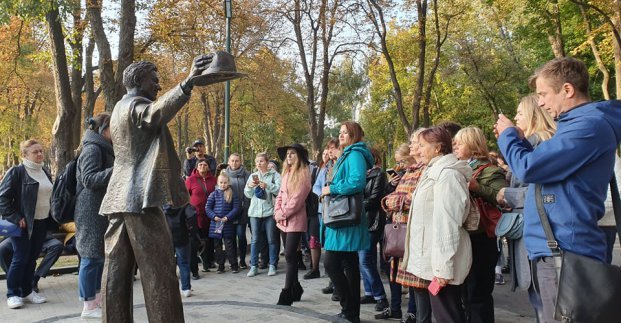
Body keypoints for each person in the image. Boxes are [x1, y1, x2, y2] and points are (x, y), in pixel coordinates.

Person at [495, 57, 621, 322]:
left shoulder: (587, 127)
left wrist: (507, 135)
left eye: (543, 94)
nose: (540, 103)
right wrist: (520, 141)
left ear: (567, 90)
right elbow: (548, 173)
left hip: (565, 253)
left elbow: (528, 169)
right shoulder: (577, 126)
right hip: (557, 251)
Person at [99, 55, 213, 322]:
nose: (159, 85)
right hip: (139, 199)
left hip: (119, 198)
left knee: (116, 270)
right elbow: (155, 113)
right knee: (159, 270)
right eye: (155, 79)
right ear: (139, 80)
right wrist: (186, 84)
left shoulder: (117, 108)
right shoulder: (137, 105)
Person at [495, 94, 556, 322]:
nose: (515, 117)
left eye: (520, 113)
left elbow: (543, 192)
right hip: (535, 237)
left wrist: (506, 194)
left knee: (547, 306)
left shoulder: (541, 142)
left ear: (533, 114)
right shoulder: (532, 143)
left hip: (543, 239)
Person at [402, 126, 472, 323]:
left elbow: (448, 223)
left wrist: (443, 268)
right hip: (436, 261)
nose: (418, 150)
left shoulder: (447, 175)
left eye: (423, 145)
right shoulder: (434, 171)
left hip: (442, 264)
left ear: (438, 148)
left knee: (447, 316)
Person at [453, 126, 508, 323]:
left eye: (459, 143)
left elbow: (503, 198)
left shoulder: (490, 170)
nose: (455, 147)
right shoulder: (458, 167)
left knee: (478, 294)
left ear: (473, 146)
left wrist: (477, 188)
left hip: (482, 238)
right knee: (465, 293)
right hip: (465, 236)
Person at [321, 121, 373, 323]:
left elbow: (357, 181)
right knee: (349, 264)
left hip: (345, 219)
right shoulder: (347, 154)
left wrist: (331, 189)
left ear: (355, 135)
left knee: (331, 263)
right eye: (340, 132)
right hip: (342, 217)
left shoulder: (355, 154)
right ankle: (351, 313)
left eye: (345, 132)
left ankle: (348, 308)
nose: (341, 135)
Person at [377, 131, 426, 322]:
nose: (399, 166)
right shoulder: (409, 173)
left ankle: (413, 312)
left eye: (416, 143)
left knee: (413, 276)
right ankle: (396, 307)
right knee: (395, 270)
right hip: (397, 226)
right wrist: (393, 194)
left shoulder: (423, 170)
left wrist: (395, 201)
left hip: (411, 229)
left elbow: (412, 199)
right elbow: (390, 198)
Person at [0, 139, 53, 309]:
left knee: (32, 259)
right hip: (23, 224)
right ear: (25, 155)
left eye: (40, 151)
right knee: (20, 258)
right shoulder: (17, 172)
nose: (39, 154)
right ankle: (13, 293)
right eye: (35, 152)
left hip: (42, 221)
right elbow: (2, 198)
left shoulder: (44, 170)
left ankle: (27, 291)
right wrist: (16, 217)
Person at [74, 113, 115, 319]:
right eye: (113, 127)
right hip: (90, 210)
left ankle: (96, 299)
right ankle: (88, 305)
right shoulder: (92, 148)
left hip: (100, 210)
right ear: (103, 129)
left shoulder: (104, 148)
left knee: (98, 257)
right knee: (90, 258)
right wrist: (116, 169)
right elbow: (89, 179)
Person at [274, 143, 312, 305]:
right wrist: (277, 212)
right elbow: (280, 196)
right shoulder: (286, 173)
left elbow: (297, 199)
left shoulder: (304, 173)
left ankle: (287, 291)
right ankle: (296, 287)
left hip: (295, 220)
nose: (289, 156)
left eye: (292, 153)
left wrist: (282, 213)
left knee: (289, 255)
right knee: (291, 255)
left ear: (299, 156)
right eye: (287, 153)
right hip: (282, 220)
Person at [358, 147, 389, 312]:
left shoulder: (379, 174)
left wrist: (353, 206)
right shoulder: (360, 174)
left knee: (366, 259)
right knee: (361, 259)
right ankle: (369, 292)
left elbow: (374, 200)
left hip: (373, 221)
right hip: (361, 221)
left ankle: (381, 297)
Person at [245, 152, 281, 277]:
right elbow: (247, 194)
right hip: (254, 212)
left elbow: (280, 190)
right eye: (257, 161)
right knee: (255, 240)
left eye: (261, 161)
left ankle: (272, 265)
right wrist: (250, 186)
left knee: (272, 239)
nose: (259, 163)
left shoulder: (274, 175)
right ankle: (253, 266)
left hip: (269, 212)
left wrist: (268, 185)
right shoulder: (253, 176)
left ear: (267, 162)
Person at [315, 138, 340, 298]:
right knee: (328, 248)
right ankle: (333, 283)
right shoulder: (326, 168)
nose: (329, 152)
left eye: (332, 148)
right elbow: (317, 186)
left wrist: (330, 191)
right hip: (324, 210)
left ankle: (340, 288)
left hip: (339, 212)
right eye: (328, 149)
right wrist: (322, 194)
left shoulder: (342, 165)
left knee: (338, 254)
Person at [185, 158, 217, 276]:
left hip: (210, 215)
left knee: (208, 239)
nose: (203, 166)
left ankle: (207, 262)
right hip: (195, 215)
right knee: (194, 241)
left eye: (205, 164)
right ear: (196, 167)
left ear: (208, 167)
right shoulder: (191, 180)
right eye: (200, 164)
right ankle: (193, 267)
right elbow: (185, 196)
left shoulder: (213, 179)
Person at [206, 173, 240, 274]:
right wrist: (214, 216)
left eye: (225, 182)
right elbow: (207, 208)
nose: (223, 184)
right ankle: (220, 266)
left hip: (227, 224)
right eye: (221, 182)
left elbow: (236, 208)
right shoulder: (213, 194)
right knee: (217, 246)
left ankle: (234, 265)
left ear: (228, 183)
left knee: (229, 245)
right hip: (216, 224)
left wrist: (227, 217)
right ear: (218, 183)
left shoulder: (232, 194)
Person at [223, 153, 251, 269]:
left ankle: (243, 259)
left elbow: (249, 191)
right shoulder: (224, 174)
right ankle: (233, 260)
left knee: (241, 235)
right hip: (229, 212)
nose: (234, 163)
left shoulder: (246, 174)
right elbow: (220, 189)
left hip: (242, 210)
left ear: (240, 162)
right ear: (229, 162)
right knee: (231, 236)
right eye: (232, 161)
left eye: (237, 161)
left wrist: (245, 205)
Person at [164, 204, 198, 298]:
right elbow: (192, 216)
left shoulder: (162, 205)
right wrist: (191, 231)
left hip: (167, 236)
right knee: (184, 263)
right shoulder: (184, 204)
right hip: (182, 236)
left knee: (168, 263)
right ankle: (186, 288)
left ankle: (169, 288)